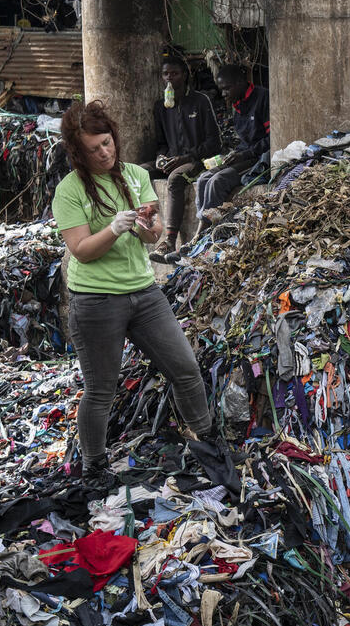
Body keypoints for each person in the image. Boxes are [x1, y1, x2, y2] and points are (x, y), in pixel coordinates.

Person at [54, 100, 226, 481]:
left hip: (144, 292)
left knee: (185, 369)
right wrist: (113, 229)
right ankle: (94, 465)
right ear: (78, 153)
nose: (105, 153)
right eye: (94, 149)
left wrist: (147, 226)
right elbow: (81, 250)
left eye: (108, 143)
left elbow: (154, 234)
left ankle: (210, 441)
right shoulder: (70, 190)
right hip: (96, 300)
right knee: (101, 389)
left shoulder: (134, 174)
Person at [150, 55, 220, 260]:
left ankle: (169, 240)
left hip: (197, 161)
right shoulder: (161, 106)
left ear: (185, 75)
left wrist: (186, 158)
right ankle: (142, 231)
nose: (170, 78)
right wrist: (160, 157)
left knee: (175, 179)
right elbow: (161, 142)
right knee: (139, 171)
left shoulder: (200, 101)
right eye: (166, 74)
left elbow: (214, 143)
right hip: (172, 158)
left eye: (174, 73)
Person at [194, 64, 270, 222]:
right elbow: (244, 141)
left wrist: (244, 154)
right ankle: (203, 223)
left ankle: (211, 226)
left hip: (259, 158)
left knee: (217, 181)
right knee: (203, 179)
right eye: (221, 89)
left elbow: (271, 139)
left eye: (227, 88)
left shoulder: (262, 98)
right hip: (244, 154)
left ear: (241, 82)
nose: (223, 94)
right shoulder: (238, 104)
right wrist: (233, 154)